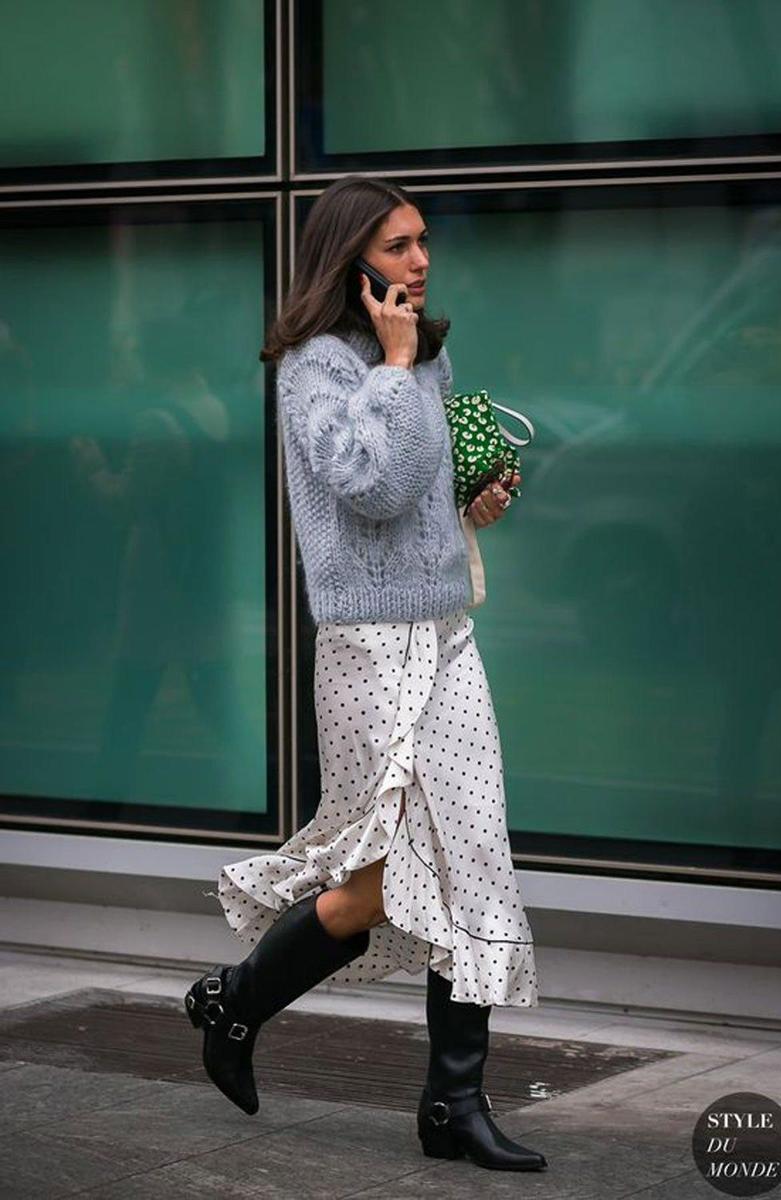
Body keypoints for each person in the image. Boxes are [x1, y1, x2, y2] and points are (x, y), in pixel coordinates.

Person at [185, 175, 548, 1173]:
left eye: (423, 240)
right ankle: (236, 1001)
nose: (419, 260)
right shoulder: (315, 365)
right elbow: (369, 488)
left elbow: (419, 492)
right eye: (397, 245)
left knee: (466, 853)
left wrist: (469, 504)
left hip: (441, 630)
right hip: (364, 647)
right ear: (351, 257)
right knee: (384, 878)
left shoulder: (420, 352)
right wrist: (393, 365)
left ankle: (451, 1105)